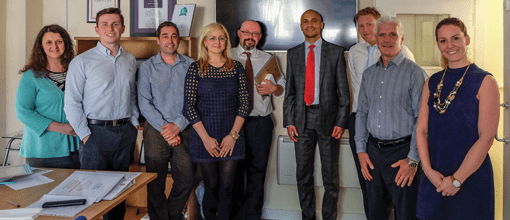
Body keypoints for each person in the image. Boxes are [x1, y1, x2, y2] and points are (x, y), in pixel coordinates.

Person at [416, 17, 498, 220]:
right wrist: (428, 171)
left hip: (470, 177)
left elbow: (486, 138)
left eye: (455, 38)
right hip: (435, 176)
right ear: (438, 44)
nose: (449, 45)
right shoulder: (432, 82)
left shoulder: (485, 81)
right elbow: (421, 130)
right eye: (443, 41)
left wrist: (456, 180)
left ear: (467, 39)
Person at [64, 8, 138, 220]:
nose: (110, 29)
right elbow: (71, 103)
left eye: (115, 24)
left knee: (118, 192)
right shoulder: (82, 62)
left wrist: (133, 123)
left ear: (122, 28)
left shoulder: (130, 60)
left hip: (125, 133)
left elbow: (131, 94)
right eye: (104, 24)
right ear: (97, 29)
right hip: (95, 132)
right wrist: (86, 135)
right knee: (91, 193)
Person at [355, 16, 426, 220]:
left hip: (403, 153)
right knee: (375, 212)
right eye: (382, 35)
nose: (387, 39)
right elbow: (362, 114)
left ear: (401, 38)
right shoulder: (369, 74)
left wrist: (412, 160)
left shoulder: (415, 73)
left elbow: (422, 120)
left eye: (393, 34)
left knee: (406, 213)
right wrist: (361, 151)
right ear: (376, 39)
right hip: (373, 153)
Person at [283, 10, 350, 220]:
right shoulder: (293, 53)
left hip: (329, 121)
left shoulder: (336, 52)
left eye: (314, 21)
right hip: (301, 121)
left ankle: (329, 217)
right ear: (301, 26)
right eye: (305, 21)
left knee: (330, 177)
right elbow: (290, 92)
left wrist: (341, 121)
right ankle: (308, 217)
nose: (309, 24)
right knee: (303, 175)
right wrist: (289, 121)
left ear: (322, 25)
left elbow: (343, 92)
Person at [182, 22, 252, 220]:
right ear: (204, 42)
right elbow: (188, 107)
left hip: (232, 136)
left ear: (226, 42)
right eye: (212, 38)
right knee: (211, 187)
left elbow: (245, 104)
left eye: (221, 38)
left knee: (227, 189)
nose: (217, 41)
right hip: (205, 138)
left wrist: (233, 136)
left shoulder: (236, 67)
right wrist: (206, 139)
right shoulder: (196, 69)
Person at [138, 21, 195, 220]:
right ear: (158, 40)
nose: (170, 40)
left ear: (178, 39)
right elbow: (144, 103)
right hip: (156, 130)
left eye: (173, 36)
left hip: (185, 128)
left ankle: (168, 217)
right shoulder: (146, 67)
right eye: (165, 36)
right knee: (155, 182)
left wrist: (177, 125)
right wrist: (167, 130)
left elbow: (194, 100)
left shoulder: (191, 65)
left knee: (187, 178)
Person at [229, 20, 285, 220]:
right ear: (239, 33)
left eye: (255, 34)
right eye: (246, 32)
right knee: (233, 175)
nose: (250, 36)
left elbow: (282, 87)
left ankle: (252, 217)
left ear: (260, 37)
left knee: (257, 174)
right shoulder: (226, 56)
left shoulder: (269, 58)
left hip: (260, 124)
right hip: (233, 125)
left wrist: (273, 89)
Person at [15, 24, 80, 169]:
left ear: (66, 44)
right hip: (42, 149)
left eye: (59, 41)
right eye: (49, 42)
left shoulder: (76, 71)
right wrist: (61, 128)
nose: (54, 46)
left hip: (76, 147)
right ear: (41, 46)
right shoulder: (31, 76)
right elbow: (22, 112)